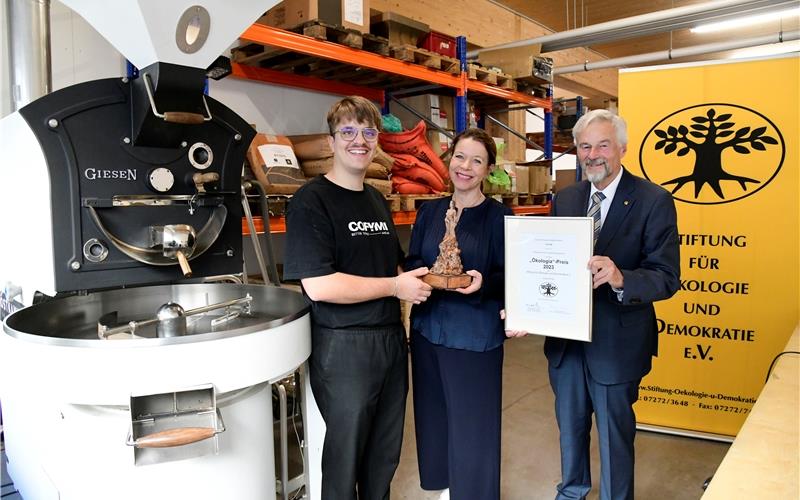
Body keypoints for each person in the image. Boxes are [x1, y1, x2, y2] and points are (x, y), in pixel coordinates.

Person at [283, 95, 432, 500]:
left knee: (383, 454)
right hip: (343, 346)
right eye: (348, 131)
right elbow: (320, 285)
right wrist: (395, 288)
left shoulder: (376, 200)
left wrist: (442, 276)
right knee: (345, 456)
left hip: (388, 342)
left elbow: (394, 266)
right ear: (331, 142)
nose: (359, 140)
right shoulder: (310, 201)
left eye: (368, 132)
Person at [543, 109, 680, 500]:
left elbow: (667, 276)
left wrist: (621, 278)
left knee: (614, 434)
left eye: (602, 144)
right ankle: (571, 492)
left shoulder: (653, 200)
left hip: (617, 344)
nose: (593, 154)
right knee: (569, 427)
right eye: (585, 146)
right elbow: (547, 263)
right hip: (567, 343)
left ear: (621, 147)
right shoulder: (566, 197)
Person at [405, 128, 513, 500]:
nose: (465, 167)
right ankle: (444, 487)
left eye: (477, 161)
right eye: (460, 157)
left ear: (488, 170)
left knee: (473, 423)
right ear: (450, 160)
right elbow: (415, 258)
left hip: (473, 335)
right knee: (433, 416)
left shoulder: (500, 217)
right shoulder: (430, 211)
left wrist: (482, 282)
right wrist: (419, 274)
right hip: (427, 330)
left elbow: (511, 275)